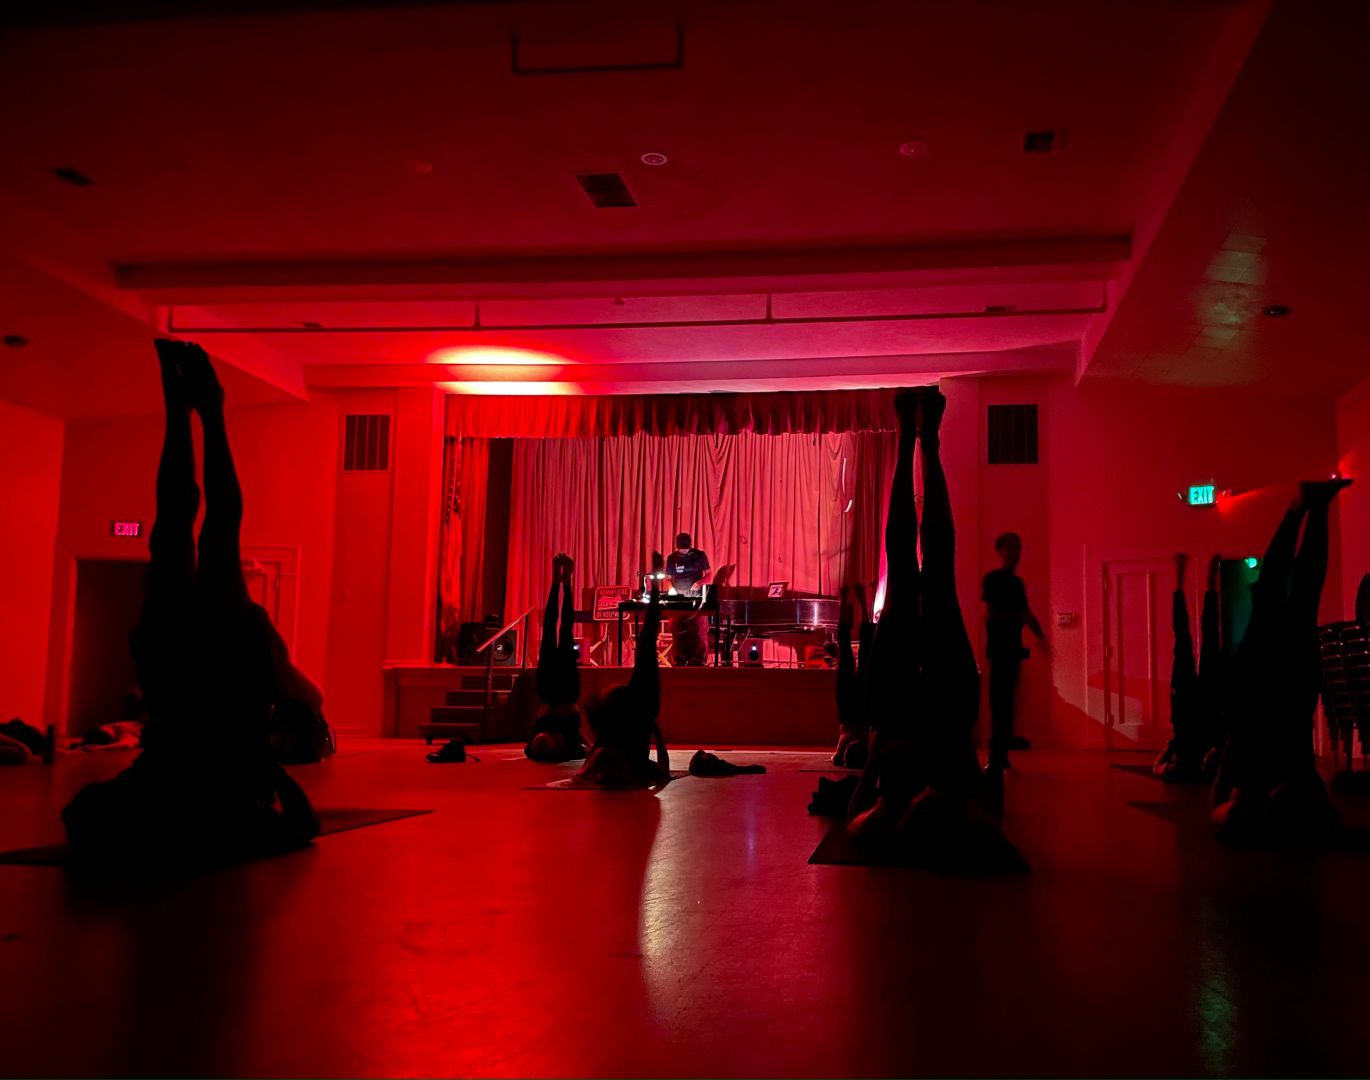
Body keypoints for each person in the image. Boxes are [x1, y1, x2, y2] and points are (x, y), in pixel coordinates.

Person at [61, 339, 321, 869]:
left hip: (207, 681)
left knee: (211, 530)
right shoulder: (216, 801)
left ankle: (198, 411)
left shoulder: (220, 799)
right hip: (186, 673)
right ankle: (186, 409)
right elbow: (300, 819)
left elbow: (301, 817)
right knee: (181, 528)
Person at [846, 387, 1023, 870]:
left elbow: (855, 816)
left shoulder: (891, 816)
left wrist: (878, 768)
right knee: (934, 560)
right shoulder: (957, 807)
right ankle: (924, 444)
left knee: (914, 559)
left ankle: (914, 442)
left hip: (900, 709)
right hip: (944, 710)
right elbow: (991, 815)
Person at [1212, 478, 1352, 845]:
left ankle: (1314, 508)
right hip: (1259, 694)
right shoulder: (1262, 784)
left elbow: (1222, 807)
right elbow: (1220, 806)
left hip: (1277, 693)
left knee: (1299, 595)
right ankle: (1304, 508)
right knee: (1278, 594)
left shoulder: (1288, 781)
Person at [575, 581, 671, 786]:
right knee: (646, 645)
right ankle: (655, 593)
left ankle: (655, 594)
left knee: (646, 644)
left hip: (636, 709)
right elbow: (664, 770)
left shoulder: (626, 759)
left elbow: (664, 770)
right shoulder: (634, 764)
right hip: (635, 708)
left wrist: (656, 731)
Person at [1153, 553, 1225, 780]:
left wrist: (1170, 747)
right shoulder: (1191, 761)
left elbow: (1157, 768)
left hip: (1196, 702)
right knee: (1193, 641)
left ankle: (1202, 586)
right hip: (1197, 702)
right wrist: (1170, 747)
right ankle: (1200, 586)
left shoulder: (1192, 762)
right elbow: (1157, 767)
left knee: (1199, 642)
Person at [982, 532, 1048, 768]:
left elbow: (1024, 612)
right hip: (1001, 649)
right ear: (1000, 551)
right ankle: (997, 754)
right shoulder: (993, 580)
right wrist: (1029, 626)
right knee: (1001, 701)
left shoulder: (1016, 584)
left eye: (1017, 547)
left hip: (1010, 649)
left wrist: (1039, 634)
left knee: (1005, 702)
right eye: (1009, 547)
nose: (1014, 553)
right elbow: (992, 615)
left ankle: (1000, 754)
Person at [526, 552, 588, 763]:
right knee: (561, 629)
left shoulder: (564, 744)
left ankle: (560, 582)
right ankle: (563, 582)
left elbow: (580, 740)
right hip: (561, 691)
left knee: (556, 629)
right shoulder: (569, 745)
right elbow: (579, 737)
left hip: (553, 691)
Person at [832, 583, 873, 768]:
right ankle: (858, 604)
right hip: (855, 710)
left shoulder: (858, 745)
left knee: (856, 655)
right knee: (854, 655)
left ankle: (856, 604)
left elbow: (839, 756)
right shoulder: (853, 746)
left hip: (854, 711)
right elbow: (839, 756)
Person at [667, 532, 710, 666]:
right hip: (678, 599)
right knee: (676, 628)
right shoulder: (671, 558)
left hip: (696, 597)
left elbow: (709, 575)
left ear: (690, 545)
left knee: (700, 629)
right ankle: (678, 659)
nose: (684, 552)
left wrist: (700, 582)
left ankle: (699, 660)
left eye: (686, 549)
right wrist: (672, 590)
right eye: (681, 550)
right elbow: (668, 579)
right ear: (677, 546)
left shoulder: (699, 555)